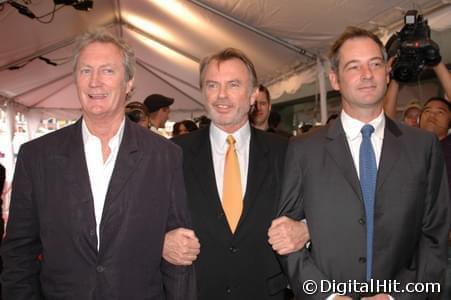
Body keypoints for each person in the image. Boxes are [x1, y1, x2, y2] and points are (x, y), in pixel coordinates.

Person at [1, 29, 195, 300]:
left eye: (107, 71)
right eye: (85, 71)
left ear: (128, 82)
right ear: (75, 79)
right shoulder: (37, 157)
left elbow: (179, 251)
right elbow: (18, 254)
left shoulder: (164, 156)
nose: (95, 82)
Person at [275, 26, 449, 299]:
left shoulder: (422, 146)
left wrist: (398, 296)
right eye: (354, 67)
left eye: (375, 64)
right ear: (335, 79)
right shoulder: (303, 149)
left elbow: (435, 236)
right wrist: (328, 296)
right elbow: (286, 237)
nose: (367, 75)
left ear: (388, 72)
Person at [165, 48, 309, 300]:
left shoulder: (286, 153)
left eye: (233, 85)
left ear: (254, 95)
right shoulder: (172, 154)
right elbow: (142, 219)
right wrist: (160, 242)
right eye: (212, 85)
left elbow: (319, 212)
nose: (221, 95)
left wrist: (306, 230)